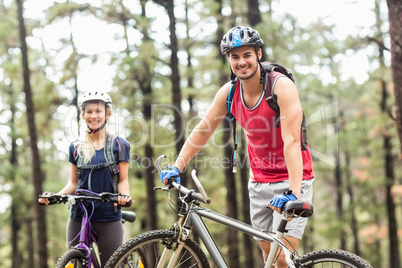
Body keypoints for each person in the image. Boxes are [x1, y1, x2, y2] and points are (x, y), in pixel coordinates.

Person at [160, 26, 314, 268]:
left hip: (294, 178)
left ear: (258, 54)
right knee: (268, 255)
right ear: (229, 60)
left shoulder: (280, 87)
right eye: (235, 57)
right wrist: (177, 166)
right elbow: (203, 130)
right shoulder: (229, 93)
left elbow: (292, 142)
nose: (241, 62)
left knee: (282, 257)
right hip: (259, 181)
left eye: (247, 55)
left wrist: (294, 193)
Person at [39, 90, 131, 266]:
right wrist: (54, 195)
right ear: (83, 115)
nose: (94, 115)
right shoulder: (75, 147)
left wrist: (123, 197)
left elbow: (123, 180)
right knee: (76, 263)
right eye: (89, 111)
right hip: (79, 215)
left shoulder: (120, 145)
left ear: (107, 114)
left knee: (110, 264)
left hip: (108, 217)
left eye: (98, 111)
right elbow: (73, 183)